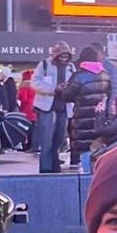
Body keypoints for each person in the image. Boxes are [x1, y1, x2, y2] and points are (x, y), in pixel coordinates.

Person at [62, 46, 112, 169]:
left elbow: (67, 95)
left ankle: (77, 165)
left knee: (80, 143)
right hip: (99, 117)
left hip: (81, 117)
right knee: (96, 142)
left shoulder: (78, 75)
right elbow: (109, 94)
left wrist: (61, 90)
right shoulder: (105, 75)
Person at [31, 42, 76, 174]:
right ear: (56, 55)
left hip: (64, 106)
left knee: (59, 138)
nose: (64, 59)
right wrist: (53, 89)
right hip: (46, 107)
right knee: (46, 138)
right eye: (61, 56)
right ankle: (45, 167)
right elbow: (35, 83)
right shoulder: (44, 65)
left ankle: (55, 165)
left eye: (66, 56)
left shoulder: (71, 67)